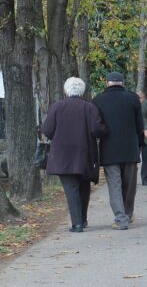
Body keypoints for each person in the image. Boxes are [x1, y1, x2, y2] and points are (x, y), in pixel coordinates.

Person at [42, 77, 106, 233]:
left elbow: (47, 130)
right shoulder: (89, 107)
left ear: (66, 91)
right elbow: (97, 130)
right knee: (84, 187)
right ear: (82, 91)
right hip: (85, 153)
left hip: (63, 155)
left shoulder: (57, 107)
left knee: (71, 188)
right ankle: (82, 220)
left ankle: (77, 223)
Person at [92, 71, 143, 230]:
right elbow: (140, 126)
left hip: (109, 149)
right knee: (129, 185)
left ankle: (121, 219)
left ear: (107, 83)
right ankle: (128, 214)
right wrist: (138, 146)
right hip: (130, 149)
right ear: (122, 83)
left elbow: (96, 128)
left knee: (114, 184)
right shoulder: (133, 98)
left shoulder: (98, 100)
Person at [137, 91, 147, 186]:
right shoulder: (132, 108)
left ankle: (145, 179)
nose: (139, 99)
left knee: (146, 158)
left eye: (141, 97)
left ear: (145, 98)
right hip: (135, 137)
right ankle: (131, 179)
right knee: (134, 160)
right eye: (137, 97)